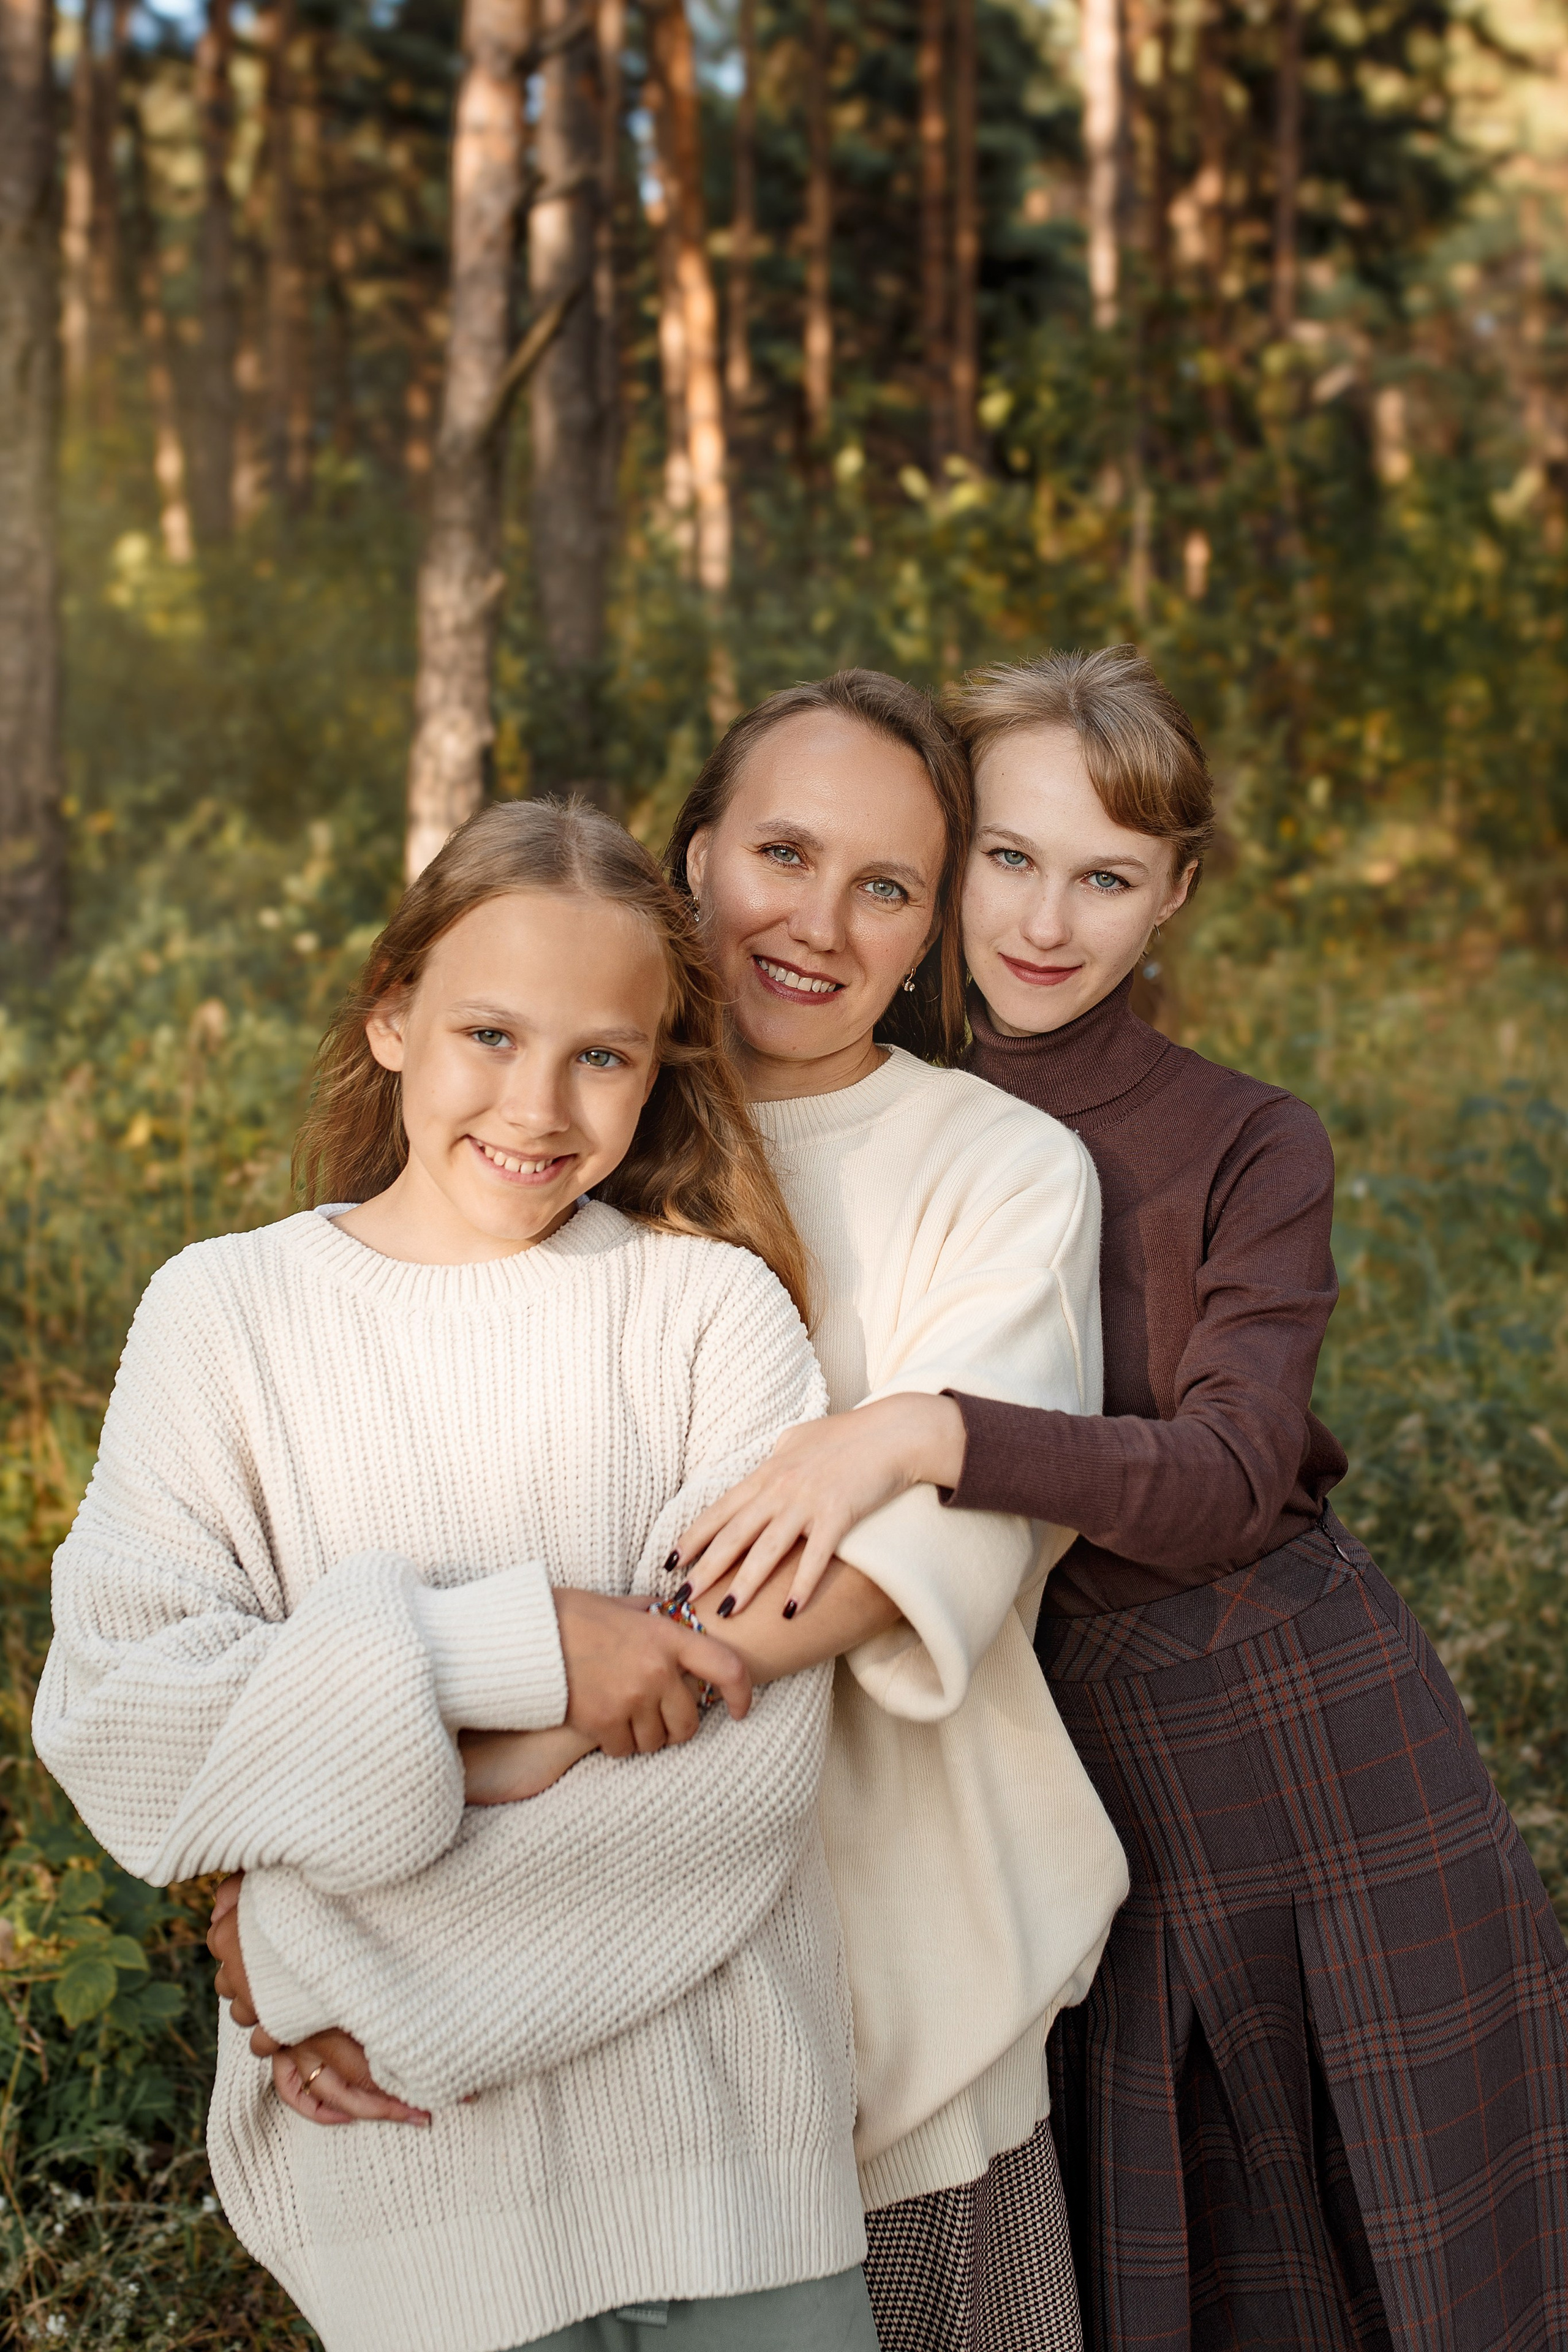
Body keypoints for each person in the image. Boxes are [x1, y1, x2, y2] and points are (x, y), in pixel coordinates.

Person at [688, 647, 1568, 2351]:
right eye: (1006, 860)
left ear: (1171, 899)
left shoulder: (1245, 1140)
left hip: (1294, 1726)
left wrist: (932, 1431)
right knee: (1179, 2247)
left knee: (1406, 2241)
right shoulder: (863, 1077)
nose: (1045, 920)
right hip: (1056, 1743)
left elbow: (1239, 1475)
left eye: (1106, 879)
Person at [32, 799, 899, 2352]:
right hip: (406, 2200)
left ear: (658, 1066)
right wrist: (514, 1655)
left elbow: (733, 1761)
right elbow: (125, 1719)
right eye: (488, 1032)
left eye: (603, 1055)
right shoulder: (227, 1318)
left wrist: (313, 1948)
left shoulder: (707, 1314)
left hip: (722, 2165)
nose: (540, 1103)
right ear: (389, 1016)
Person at [667, 669, 1128, 2352]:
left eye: (886, 887)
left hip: (894, 1956)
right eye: (781, 853)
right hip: (578, 1954)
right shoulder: (565, 1118)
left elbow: (923, 1551)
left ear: (935, 930)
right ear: (696, 852)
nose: (819, 924)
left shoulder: (992, 1164)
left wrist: (557, 1707)